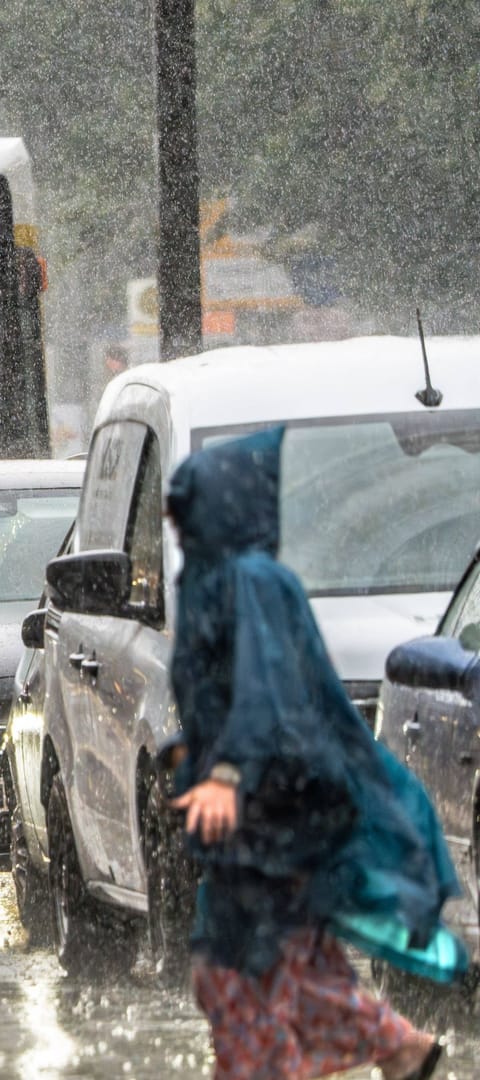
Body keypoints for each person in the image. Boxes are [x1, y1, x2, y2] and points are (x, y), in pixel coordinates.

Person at [163, 427, 460, 1080]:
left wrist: (229, 772)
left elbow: (268, 692)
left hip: (278, 814)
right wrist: (193, 747)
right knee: (283, 963)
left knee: (237, 967)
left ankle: (351, 1054)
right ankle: (400, 1047)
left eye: (186, 502)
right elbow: (230, 692)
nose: (172, 517)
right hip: (264, 819)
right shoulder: (215, 579)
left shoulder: (251, 581)